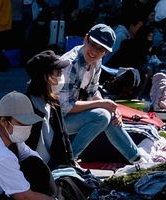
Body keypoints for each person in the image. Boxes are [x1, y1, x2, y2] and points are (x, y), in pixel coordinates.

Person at [55, 24, 143, 164]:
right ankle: (68, 159)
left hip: (67, 115)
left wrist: (110, 107)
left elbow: (92, 92)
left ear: (106, 53)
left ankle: (138, 160)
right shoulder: (69, 64)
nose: (95, 52)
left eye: (101, 49)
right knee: (102, 116)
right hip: (53, 121)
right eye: (93, 44)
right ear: (85, 39)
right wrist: (102, 104)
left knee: (110, 114)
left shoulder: (96, 61)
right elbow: (64, 107)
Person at [24, 50, 77, 168]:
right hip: (33, 170)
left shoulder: (54, 103)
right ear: (44, 76)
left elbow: (64, 138)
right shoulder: (26, 105)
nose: (61, 75)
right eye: (58, 72)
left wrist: (71, 165)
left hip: (53, 167)